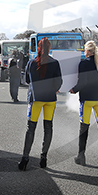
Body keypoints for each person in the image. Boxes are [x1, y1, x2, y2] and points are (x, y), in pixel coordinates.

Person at [18, 37, 63, 171]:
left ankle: (25, 159)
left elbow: (26, 80)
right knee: (48, 127)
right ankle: (43, 158)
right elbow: (59, 81)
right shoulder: (55, 63)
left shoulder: (31, 63)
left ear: (38, 48)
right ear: (49, 48)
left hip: (36, 99)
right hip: (50, 99)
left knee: (30, 128)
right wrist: (54, 89)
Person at [68, 40, 98, 165]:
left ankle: (81, 156)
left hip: (87, 99)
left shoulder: (83, 64)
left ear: (87, 51)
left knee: (84, 127)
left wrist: (73, 89)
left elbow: (82, 82)